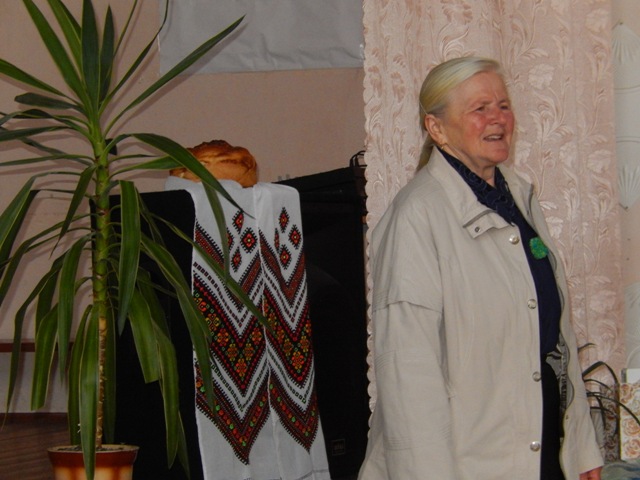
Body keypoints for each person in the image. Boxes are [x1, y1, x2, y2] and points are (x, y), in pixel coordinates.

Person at [357, 57, 604, 480]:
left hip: (540, 447)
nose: (498, 118)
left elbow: (555, 338)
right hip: (464, 464)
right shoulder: (416, 216)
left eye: (503, 105)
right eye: (480, 108)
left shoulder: (517, 198)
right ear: (436, 128)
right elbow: (407, 378)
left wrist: (580, 448)